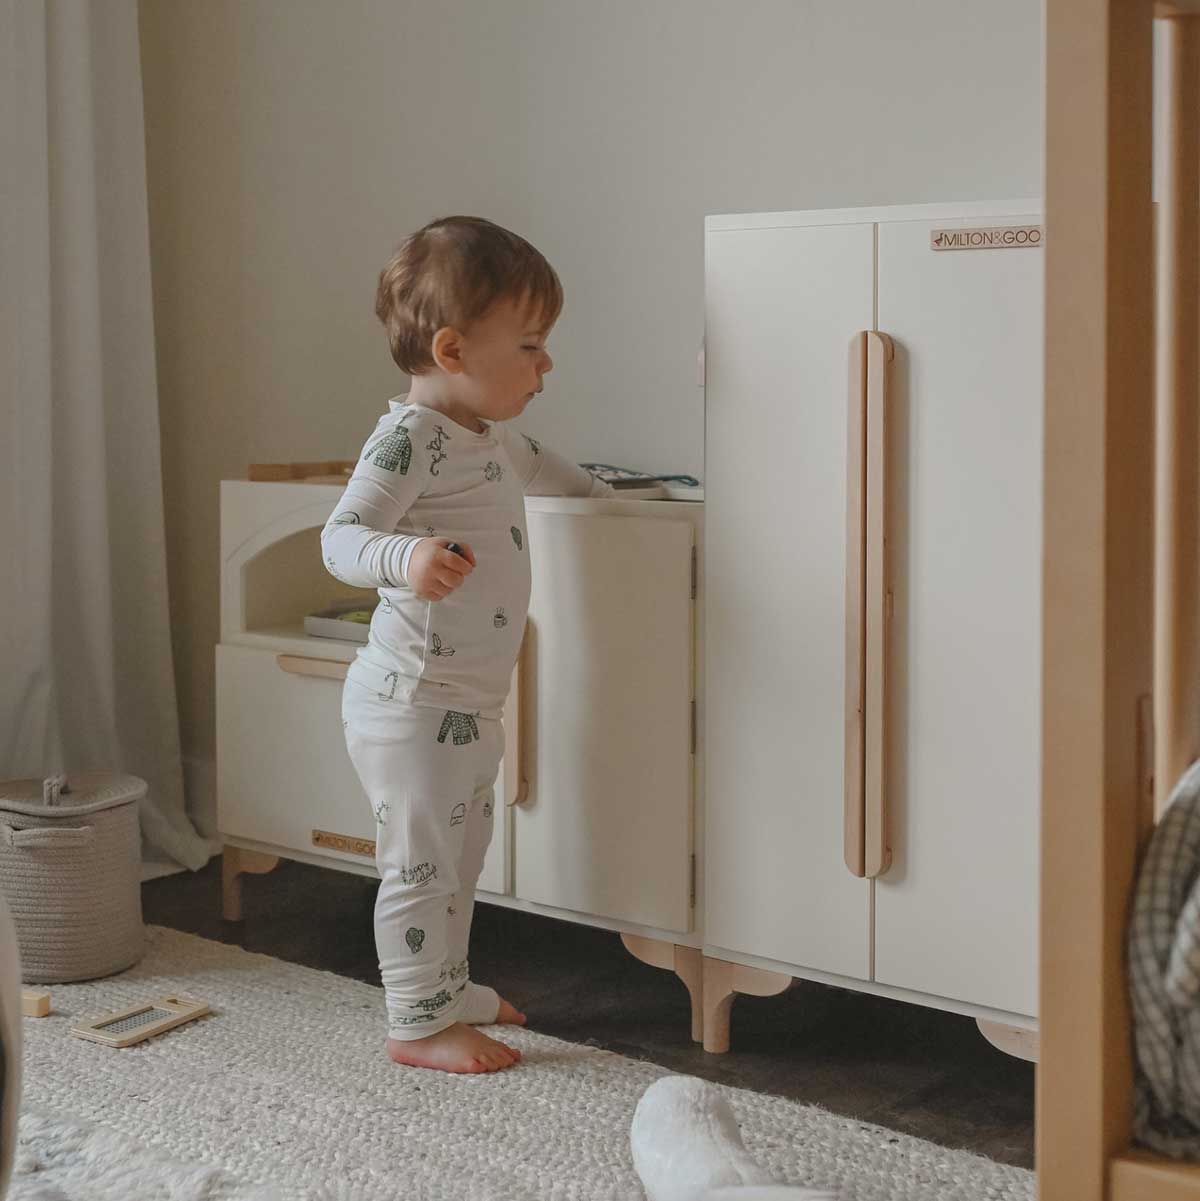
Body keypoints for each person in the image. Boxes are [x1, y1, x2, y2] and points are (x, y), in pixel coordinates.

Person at [323, 216, 615, 1075]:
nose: (546, 363)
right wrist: (404, 556)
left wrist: (625, 507)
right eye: (530, 345)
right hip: (410, 699)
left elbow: (563, 474)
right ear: (452, 350)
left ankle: (445, 985)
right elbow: (341, 538)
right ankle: (415, 1023)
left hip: (468, 706)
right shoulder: (407, 439)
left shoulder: (491, 438)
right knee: (419, 865)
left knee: (463, 857)